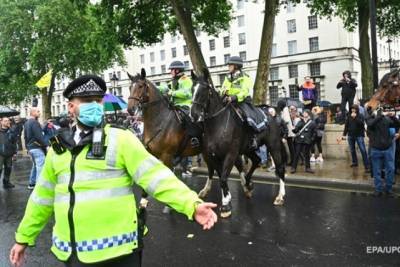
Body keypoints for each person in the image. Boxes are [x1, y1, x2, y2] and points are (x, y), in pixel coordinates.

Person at [10, 75, 218, 267]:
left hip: (120, 253)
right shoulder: (58, 149)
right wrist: (24, 238)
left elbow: (157, 176)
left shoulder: (121, 139)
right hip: (73, 255)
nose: (94, 105)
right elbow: (41, 198)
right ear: (71, 107)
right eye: (86, 100)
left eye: (98, 100)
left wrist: (191, 204)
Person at [220, 56, 267, 150]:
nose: (228, 67)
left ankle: (253, 138)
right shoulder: (227, 78)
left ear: (236, 66)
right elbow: (223, 89)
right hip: (229, 102)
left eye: (230, 65)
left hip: (242, 101)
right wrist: (223, 94)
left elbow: (245, 91)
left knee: (247, 117)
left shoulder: (245, 77)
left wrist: (234, 97)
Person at [159, 61, 199, 148]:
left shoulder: (186, 80)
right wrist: (154, 87)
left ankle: (193, 138)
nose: (170, 72)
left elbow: (186, 93)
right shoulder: (174, 81)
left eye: (171, 70)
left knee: (186, 117)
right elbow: (165, 88)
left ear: (177, 70)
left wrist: (172, 93)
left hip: (185, 105)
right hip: (175, 106)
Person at [365, 104, 400, 197]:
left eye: (380, 109)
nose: (379, 110)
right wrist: (378, 115)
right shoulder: (370, 118)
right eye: (377, 109)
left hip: (387, 148)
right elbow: (370, 124)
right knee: (377, 171)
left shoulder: (386, 119)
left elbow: (397, 124)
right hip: (375, 149)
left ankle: (388, 189)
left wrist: (393, 116)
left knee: (390, 169)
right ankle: (378, 189)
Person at [338, 104, 369, 171]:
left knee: (363, 150)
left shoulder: (360, 115)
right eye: (352, 109)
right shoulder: (349, 116)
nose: (353, 110)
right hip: (350, 135)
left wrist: (355, 118)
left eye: (354, 109)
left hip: (359, 135)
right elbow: (346, 126)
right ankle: (355, 162)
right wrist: (344, 134)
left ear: (357, 109)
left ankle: (367, 165)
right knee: (352, 150)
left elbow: (361, 124)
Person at [24, 107, 47, 190]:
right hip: (37, 147)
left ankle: (31, 183)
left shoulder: (26, 123)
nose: (39, 113)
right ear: (32, 112)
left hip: (31, 147)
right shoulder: (34, 122)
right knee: (41, 166)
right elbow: (39, 136)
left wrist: (27, 148)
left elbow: (25, 136)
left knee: (35, 165)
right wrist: (46, 145)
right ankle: (39, 186)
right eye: (38, 111)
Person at [291, 109, 316, 174]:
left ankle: (308, 168)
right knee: (297, 154)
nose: (304, 113)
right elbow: (296, 130)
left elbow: (314, 132)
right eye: (303, 112)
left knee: (307, 154)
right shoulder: (300, 121)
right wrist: (293, 129)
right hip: (299, 140)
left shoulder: (312, 122)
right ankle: (293, 168)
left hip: (307, 141)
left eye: (305, 112)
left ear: (308, 114)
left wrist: (311, 139)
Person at [0, 117, 18, 189]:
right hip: (0, 154)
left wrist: (15, 152)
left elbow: (14, 142)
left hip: (9, 153)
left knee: (8, 168)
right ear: (1, 122)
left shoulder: (11, 131)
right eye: (5, 121)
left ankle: (6, 182)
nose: (7, 122)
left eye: (8, 121)